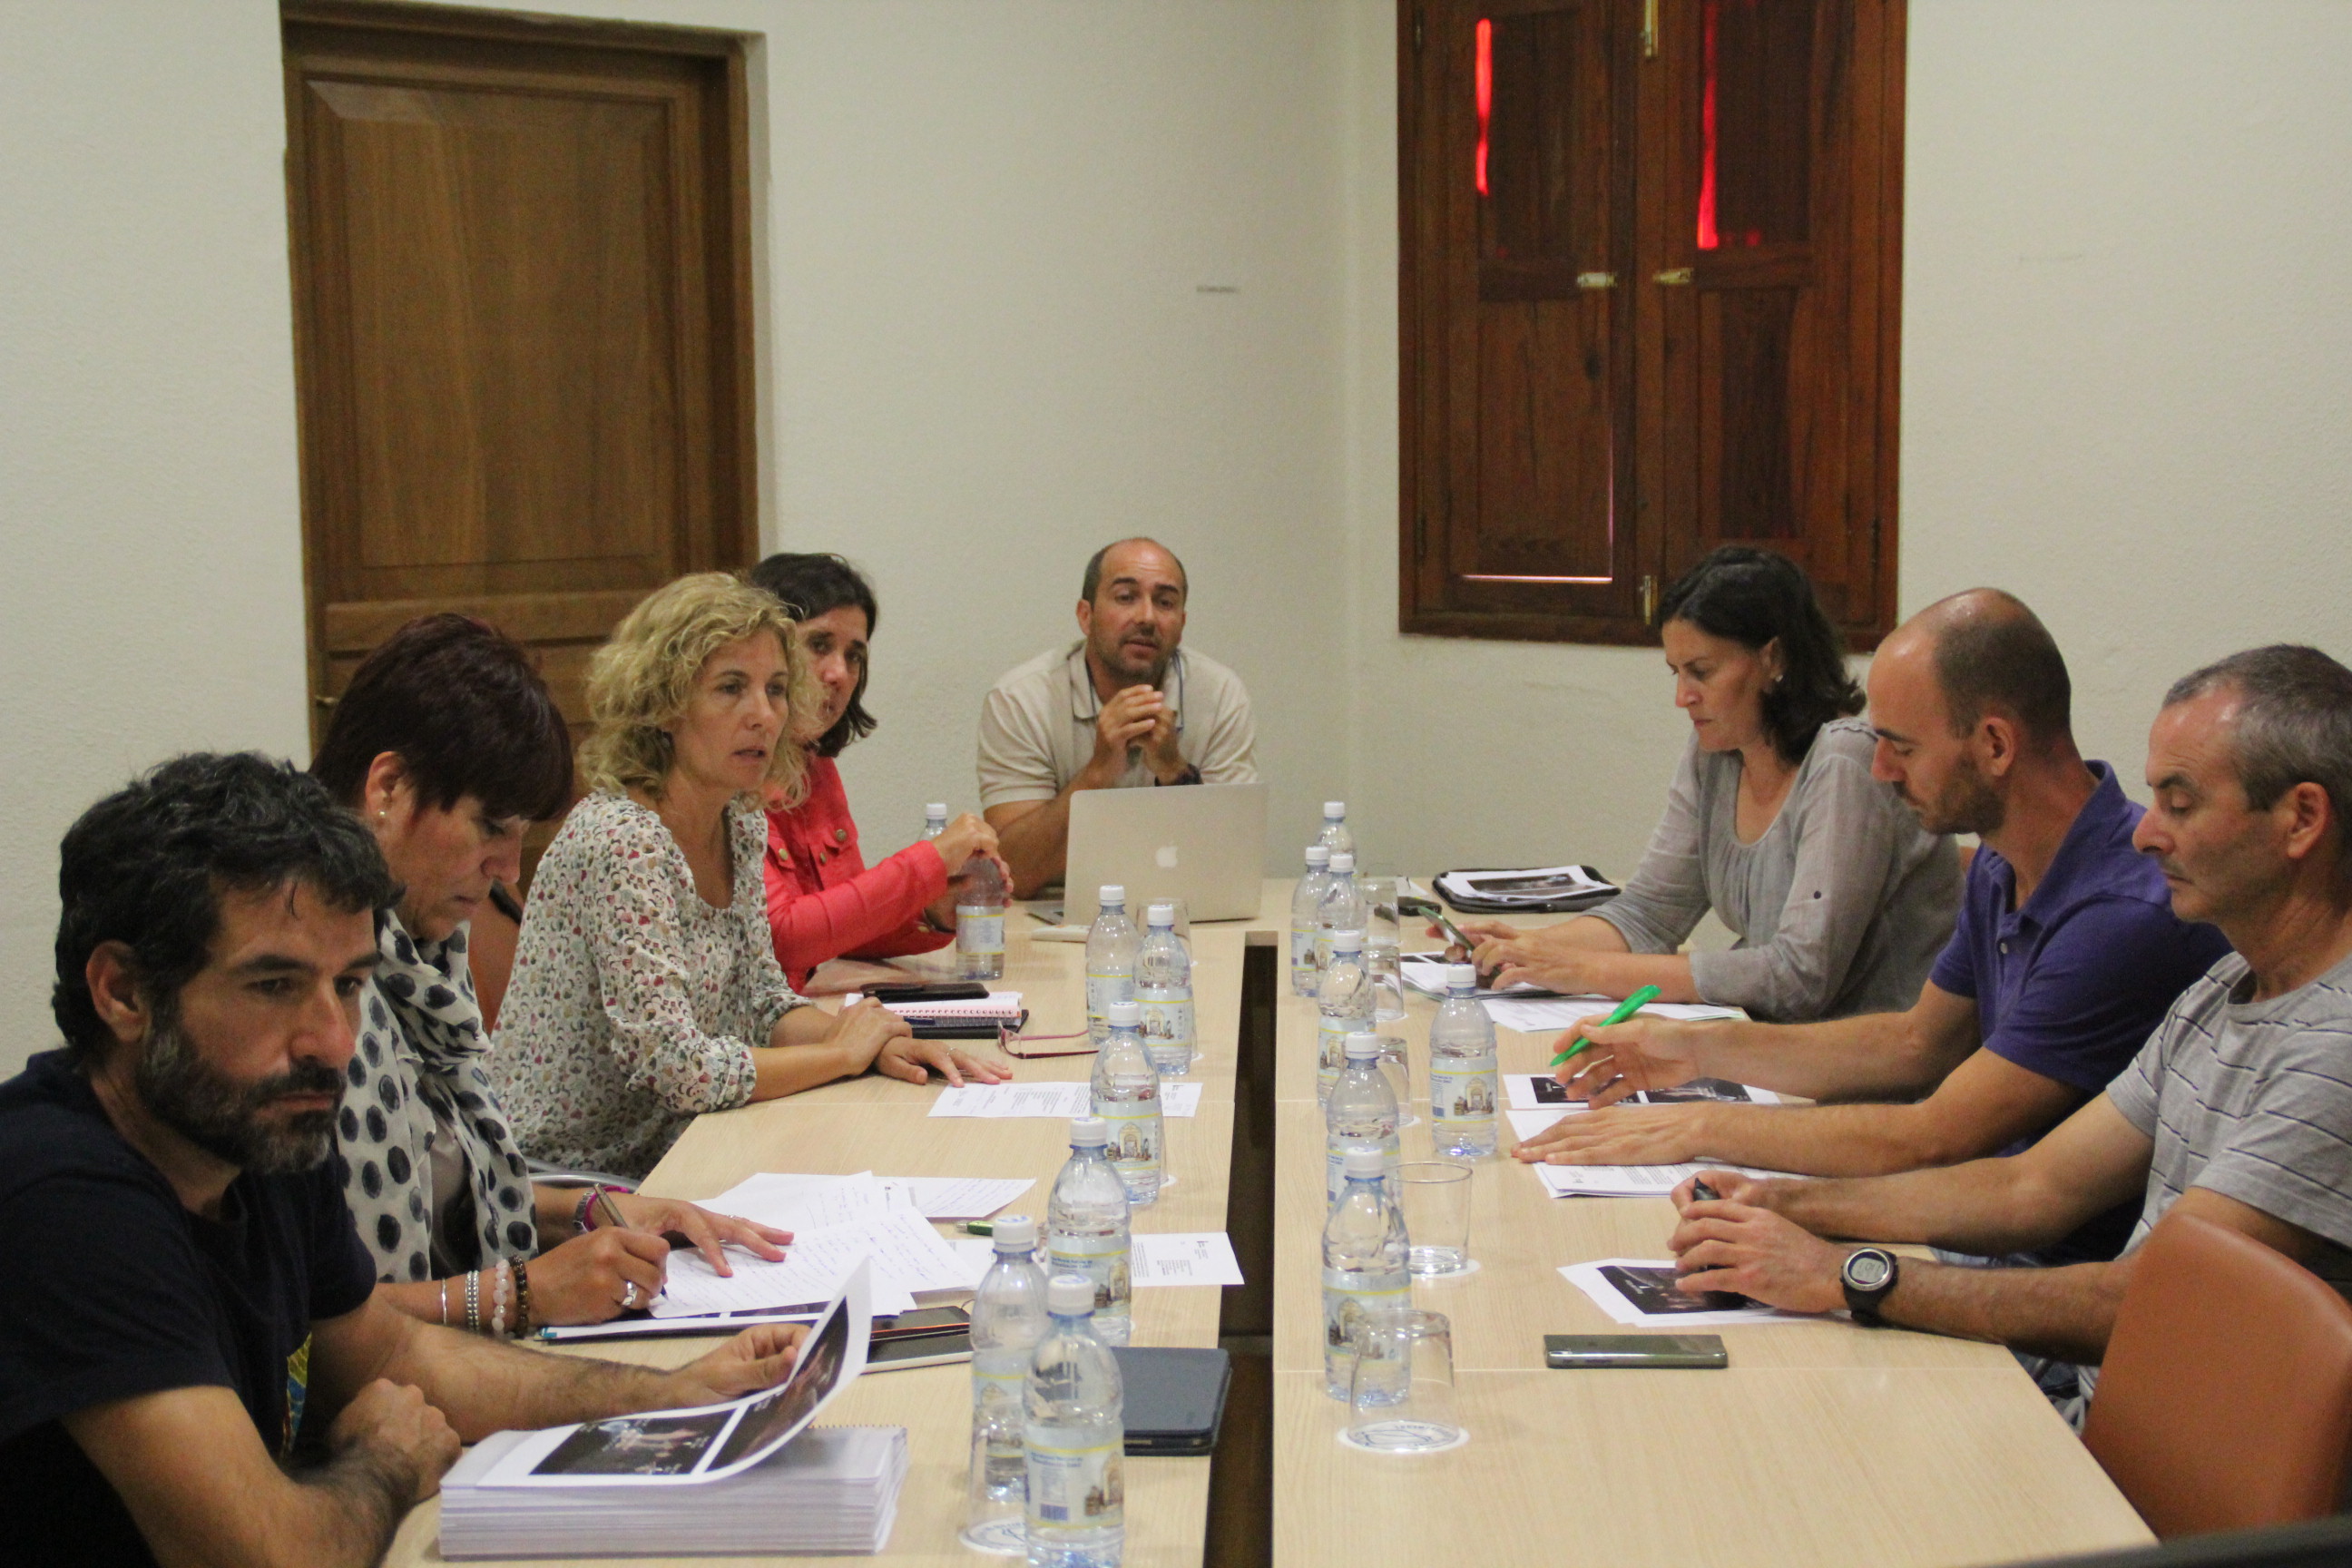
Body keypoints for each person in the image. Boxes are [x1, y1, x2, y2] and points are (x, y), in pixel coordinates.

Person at [0, 753, 812, 1568]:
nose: (332, 1043)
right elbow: (269, 1557)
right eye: (274, 986)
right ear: (124, 993)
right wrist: (387, 1460)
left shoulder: (255, 1133)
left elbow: (393, 1353)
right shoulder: (64, 1198)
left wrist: (672, 1394)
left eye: (349, 986)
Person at [1661, 646, 2352, 1420]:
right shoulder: (2225, 987)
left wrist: (1849, 1274)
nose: (2148, 834)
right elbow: (2032, 1186)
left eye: (2181, 805)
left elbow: (2153, 1300)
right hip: (2103, 1416)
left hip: (2145, 1464)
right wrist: (1783, 1203)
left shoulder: (2334, 1051)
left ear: (2301, 819)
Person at [1517, 590, 2233, 1273]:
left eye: (1902, 748)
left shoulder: (2122, 913)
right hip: (1971, 1231)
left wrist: (1701, 1127)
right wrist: (1692, 1050)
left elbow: (1938, 1135)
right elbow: (1915, 1042)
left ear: (1994, 745)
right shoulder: (2004, 861)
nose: (1881, 770)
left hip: (2035, 1276)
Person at [312, 612, 790, 1329]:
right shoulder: (314, 988)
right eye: (491, 828)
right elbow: (316, 1322)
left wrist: (597, 1210)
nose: (509, 869)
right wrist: (519, 1293)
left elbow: (453, 1189)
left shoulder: (420, 946)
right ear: (388, 789)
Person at [492, 573, 1009, 1181]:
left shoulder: (738, 821)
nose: (764, 715)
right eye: (731, 688)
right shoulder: (621, 839)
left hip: (685, 1146)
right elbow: (676, 1068)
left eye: (777, 690)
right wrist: (842, 1054)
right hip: (573, 1177)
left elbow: (761, 1002)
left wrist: (879, 1042)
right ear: (664, 704)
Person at [1460, 546, 1960, 1020]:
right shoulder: (1717, 754)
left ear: (1774, 659)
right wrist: (1525, 949)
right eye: (1676, 673)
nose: (1683, 697)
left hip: (1868, 1058)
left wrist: (1585, 971)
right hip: (1773, 1044)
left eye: (1701, 671)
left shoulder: (1846, 760)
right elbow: (1650, 913)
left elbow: (1800, 977)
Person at [746, 553, 1011, 991]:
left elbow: (840, 924)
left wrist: (933, 910)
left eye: (854, 656)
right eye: (818, 645)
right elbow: (784, 939)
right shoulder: (732, 771)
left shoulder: (815, 766)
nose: (838, 673)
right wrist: (930, 861)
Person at [978, 537, 1258, 896]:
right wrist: (1098, 772)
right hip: (1053, 910)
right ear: (1086, 616)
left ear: (1182, 624)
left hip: (1183, 904)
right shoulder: (1021, 699)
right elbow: (1014, 871)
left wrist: (1175, 772)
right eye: (1126, 597)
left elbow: (1235, 865)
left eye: (1165, 602)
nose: (1146, 617)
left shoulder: (1219, 695)